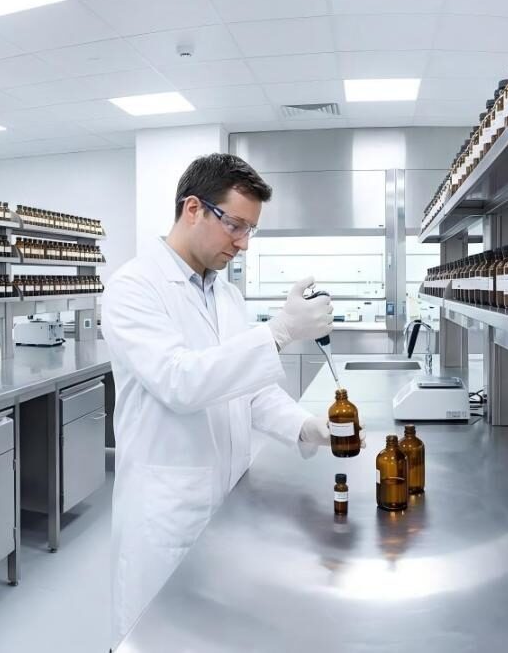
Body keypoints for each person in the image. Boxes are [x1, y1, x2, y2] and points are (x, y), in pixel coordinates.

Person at [103, 153, 352, 646]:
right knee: (160, 638)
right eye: (235, 225)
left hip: (230, 500)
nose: (242, 243)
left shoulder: (226, 296)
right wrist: (279, 332)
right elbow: (181, 382)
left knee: (216, 635)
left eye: (250, 230)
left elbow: (249, 390)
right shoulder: (134, 288)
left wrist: (304, 426)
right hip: (169, 509)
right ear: (193, 209)